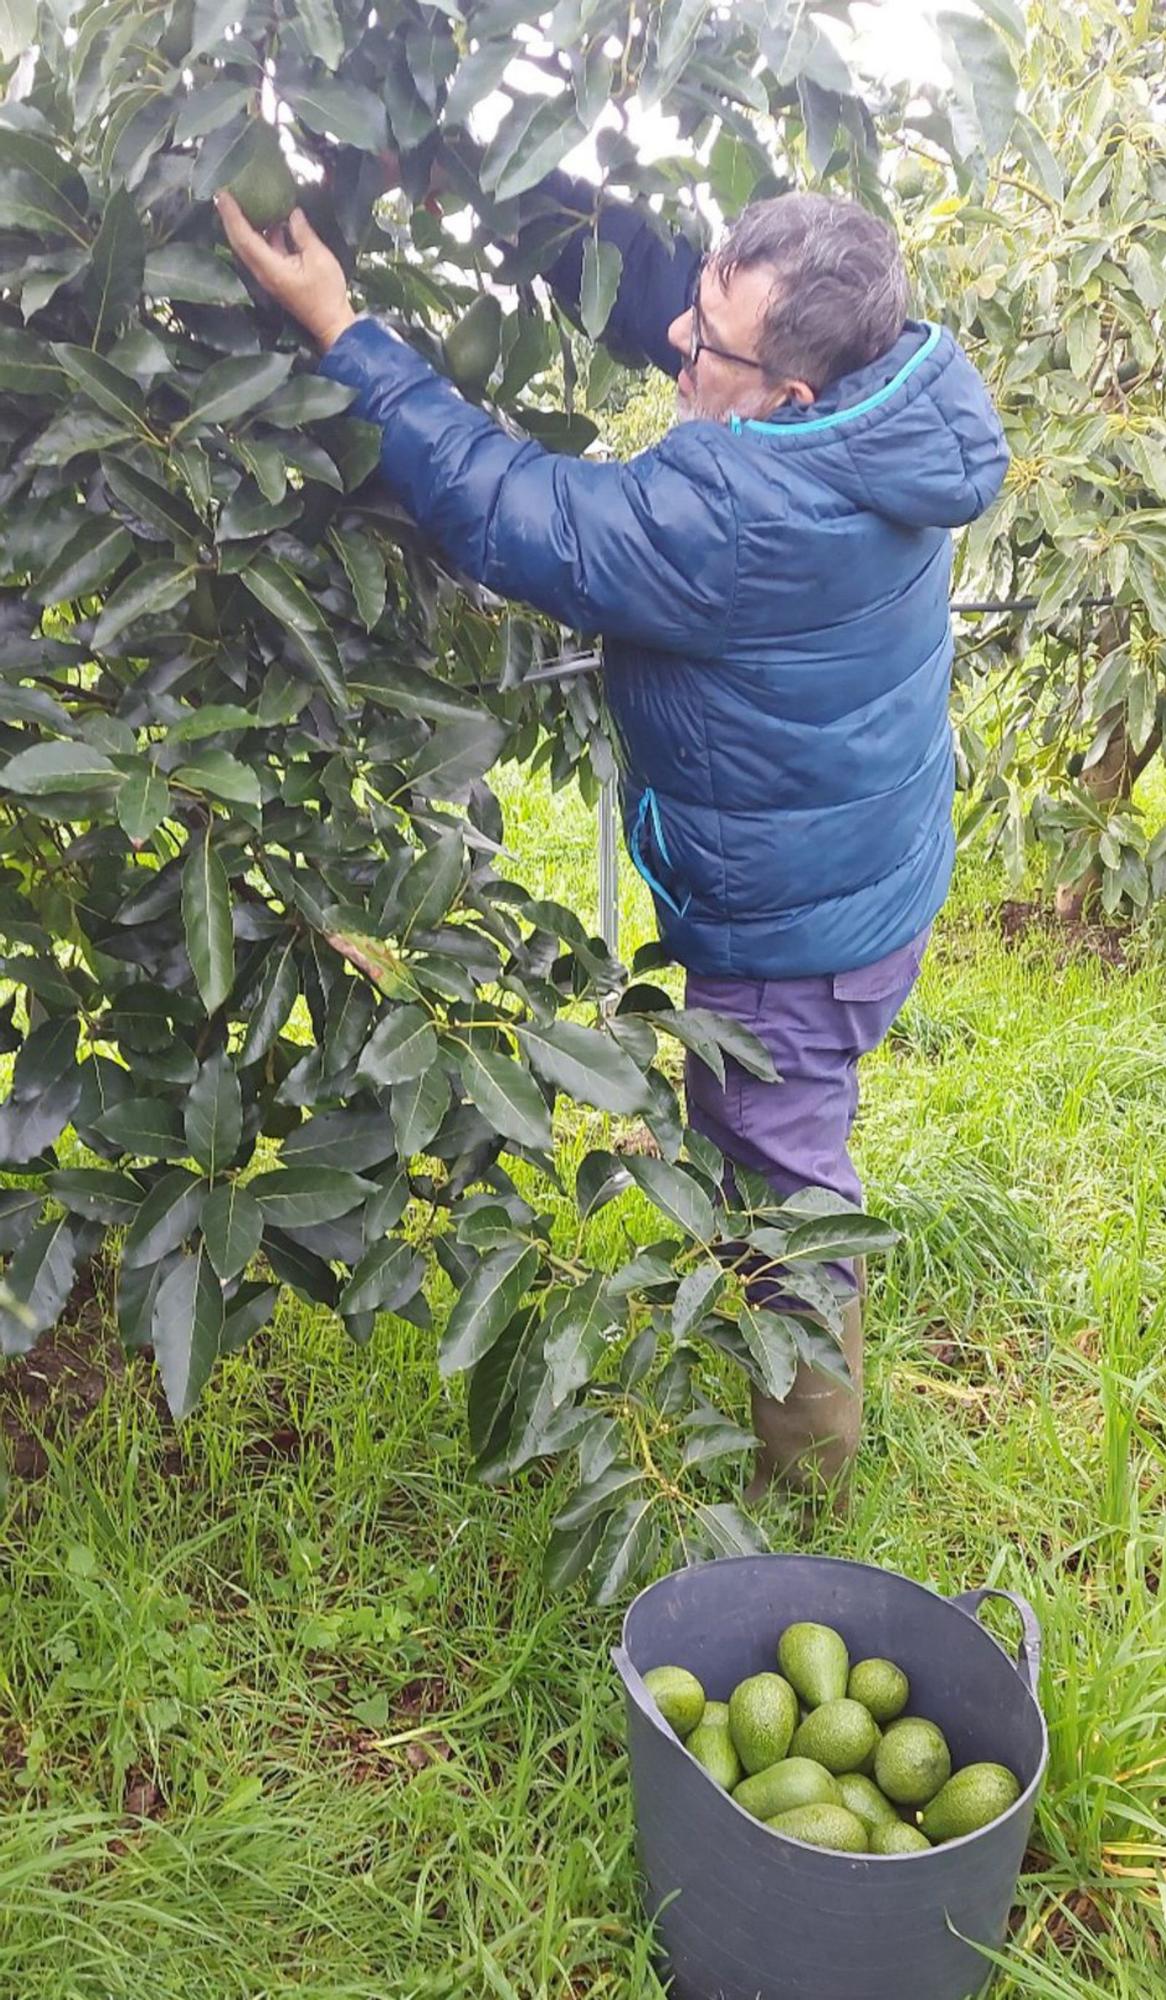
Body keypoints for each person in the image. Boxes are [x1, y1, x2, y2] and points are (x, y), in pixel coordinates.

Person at [217, 162, 1007, 1502]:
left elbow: (512, 515)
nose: (681, 346)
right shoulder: (905, 403)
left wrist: (344, 331)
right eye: (700, 299)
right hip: (867, 867)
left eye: (711, 345)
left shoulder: (739, 522)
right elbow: (685, 315)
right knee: (764, 1126)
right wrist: (528, 194)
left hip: (794, 920)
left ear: (788, 396)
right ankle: (764, 1322)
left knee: (781, 1163)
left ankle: (806, 1473)